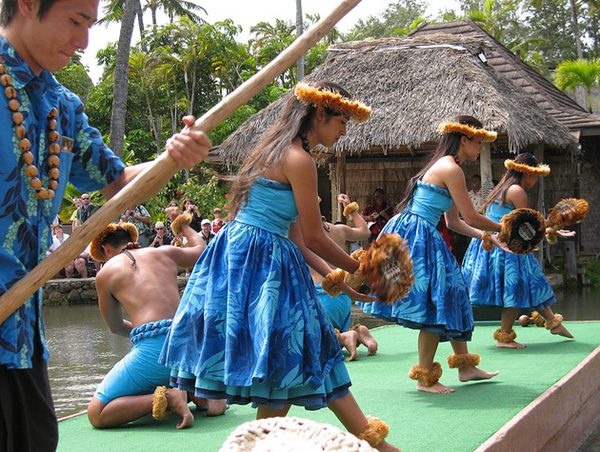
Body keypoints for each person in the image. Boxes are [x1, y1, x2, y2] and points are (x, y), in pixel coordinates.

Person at [0, 0, 211, 448]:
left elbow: (118, 182)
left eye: (91, 25)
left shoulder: (61, 106)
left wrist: (171, 158)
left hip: (22, 337)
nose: (83, 41)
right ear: (27, 4)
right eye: (75, 21)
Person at [159, 81, 400, 451]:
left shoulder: (270, 152)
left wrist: (345, 282)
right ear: (320, 113)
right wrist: (365, 266)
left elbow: (301, 241)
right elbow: (317, 236)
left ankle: (364, 445)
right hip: (261, 262)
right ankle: (376, 447)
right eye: (342, 121)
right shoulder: (299, 160)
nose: (344, 130)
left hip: (244, 257)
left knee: (295, 356)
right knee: (299, 354)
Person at [359, 115, 505, 395]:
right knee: (433, 302)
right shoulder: (451, 168)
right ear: (465, 140)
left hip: (422, 232)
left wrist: (492, 237)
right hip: (415, 233)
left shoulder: (449, 166)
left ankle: (465, 366)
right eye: (479, 142)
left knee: (454, 292)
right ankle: (424, 376)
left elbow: (455, 223)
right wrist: (503, 226)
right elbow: (472, 215)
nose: (481, 148)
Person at [87, 217, 226, 429]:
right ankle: (197, 391)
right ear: (132, 239)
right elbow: (201, 249)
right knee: (163, 360)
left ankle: (170, 397)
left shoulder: (105, 274)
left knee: (97, 413)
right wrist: (182, 225)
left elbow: (115, 327)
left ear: (105, 249)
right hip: (194, 346)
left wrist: (145, 332)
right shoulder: (164, 252)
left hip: (157, 353)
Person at [461, 153, 574, 348]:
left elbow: (528, 226)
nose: (536, 179)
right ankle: (505, 335)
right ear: (525, 172)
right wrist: (557, 221)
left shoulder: (502, 188)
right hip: (506, 246)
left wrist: (554, 228)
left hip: (491, 245)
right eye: (534, 175)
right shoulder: (517, 191)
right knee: (514, 287)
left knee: (533, 280)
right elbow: (530, 226)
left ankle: (553, 323)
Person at [307, 194, 378, 361]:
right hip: (343, 297)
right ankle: (359, 333)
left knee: (316, 342)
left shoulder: (302, 235)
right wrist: (350, 208)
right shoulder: (338, 230)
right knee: (332, 330)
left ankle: (343, 338)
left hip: (321, 297)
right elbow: (365, 231)